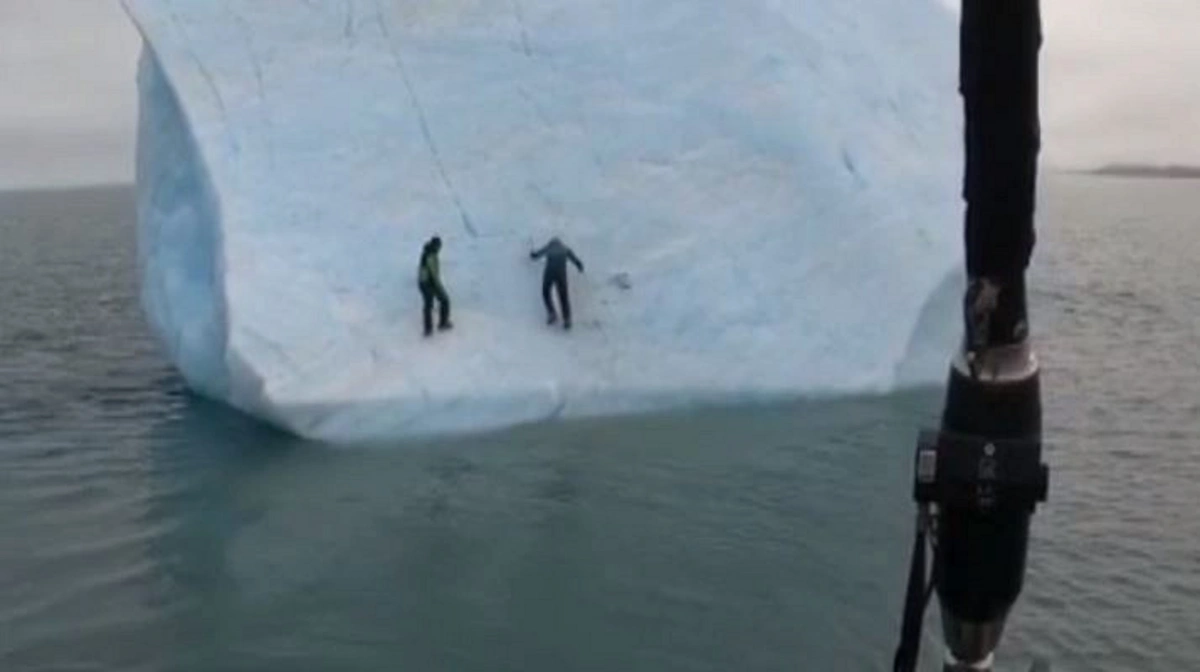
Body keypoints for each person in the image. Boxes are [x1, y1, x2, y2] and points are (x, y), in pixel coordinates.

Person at [530, 237, 584, 329]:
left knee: (545, 292)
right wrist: (579, 265)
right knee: (563, 296)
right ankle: (567, 319)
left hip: (549, 274)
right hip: (561, 275)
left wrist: (532, 254)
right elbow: (574, 259)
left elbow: (537, 255)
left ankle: (552, 313)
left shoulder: (549, 248)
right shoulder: (565, 249)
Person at [417, 236, 452, 336]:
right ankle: (442, 324)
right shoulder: (430, 256)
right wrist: (440, 288)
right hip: (427, 282)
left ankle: (429, 329)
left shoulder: (428, 252)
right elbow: (434, 275)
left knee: (429, 305)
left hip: (423, 281)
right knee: (444, 300)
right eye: (439, 247)